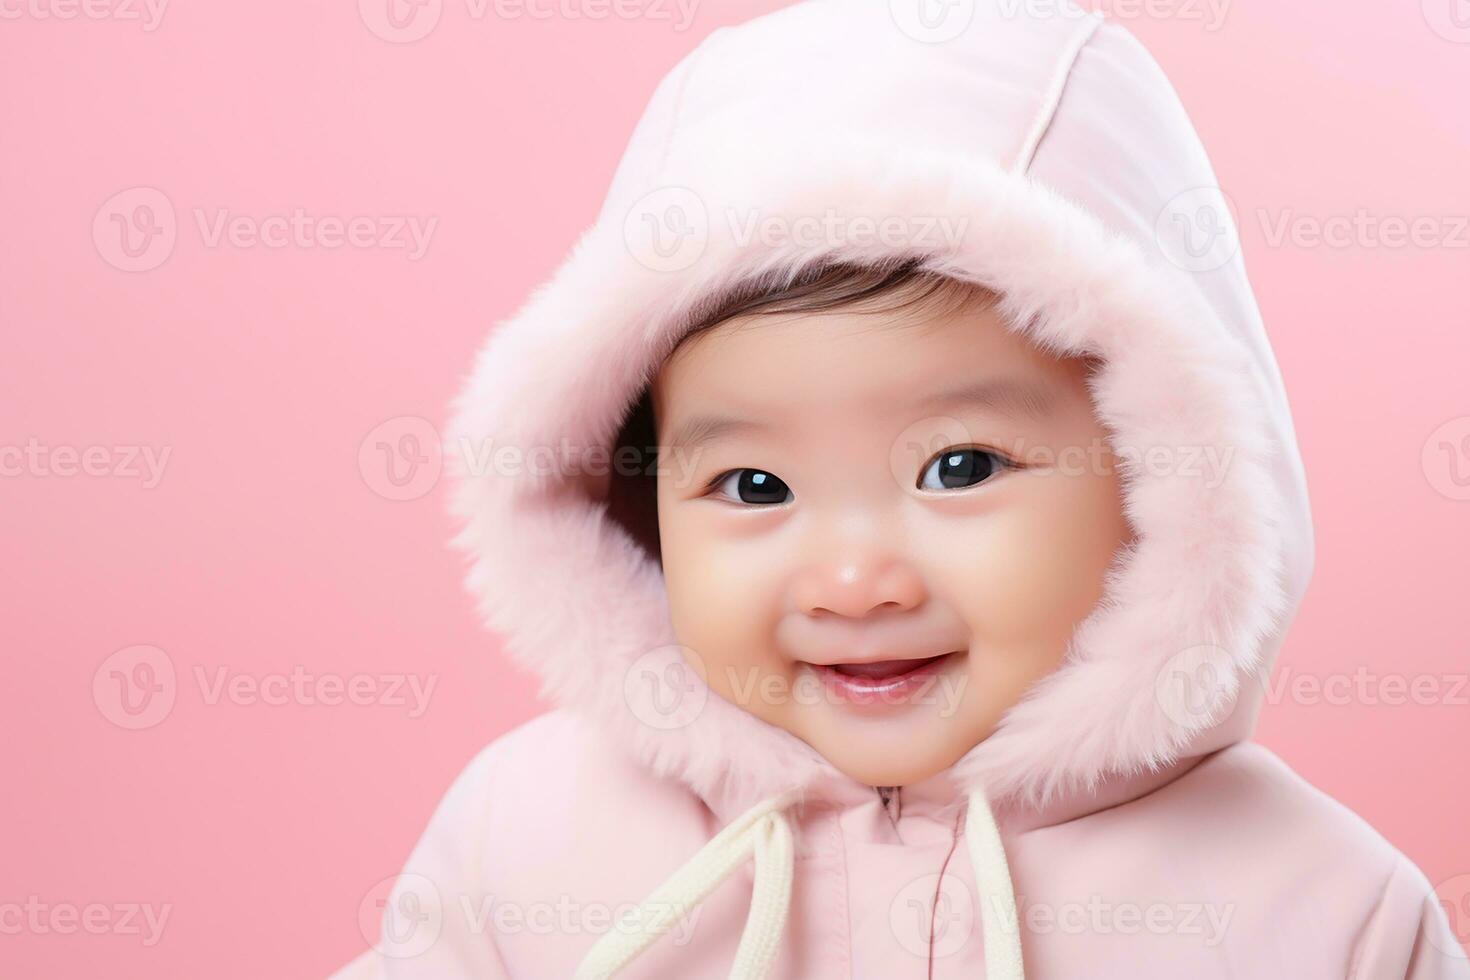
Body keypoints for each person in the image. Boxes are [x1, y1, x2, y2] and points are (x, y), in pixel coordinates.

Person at [335, 0, 1469, 976]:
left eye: (959, 466)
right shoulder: (523, 836)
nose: (852, 580)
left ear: (1161, 480)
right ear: (635, 502)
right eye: (754, 483)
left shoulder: (1324, 910)